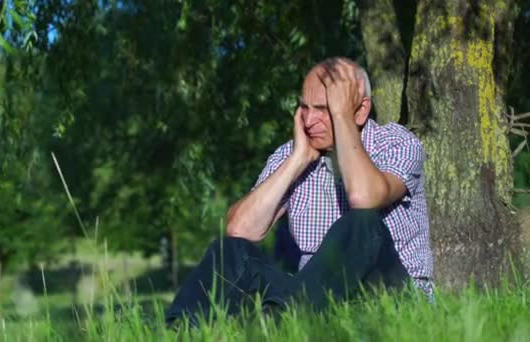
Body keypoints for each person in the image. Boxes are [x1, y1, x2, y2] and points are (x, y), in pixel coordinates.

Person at [165, 57, 434, 326]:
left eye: (324, 108)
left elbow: (364, 199)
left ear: (361, 111)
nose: (309, 120)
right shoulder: (291, 154)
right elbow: (238, 229)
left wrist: (341, 118)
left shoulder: (397, 143)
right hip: (313, 297)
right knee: (232, 251)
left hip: (391, 296)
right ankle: (184, 331)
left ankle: (284, 323)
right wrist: (298, 159)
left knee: (362, 222)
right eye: (304, 107)